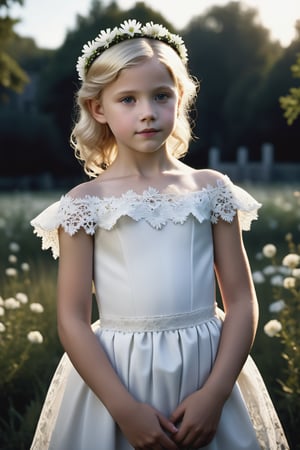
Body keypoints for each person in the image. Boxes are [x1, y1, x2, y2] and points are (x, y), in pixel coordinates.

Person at [30, 19, 289, 450]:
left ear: (180, 98)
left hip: (207, 370)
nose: (147, 111)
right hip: (116, 380)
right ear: (98, 109)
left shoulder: (211, 190)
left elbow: (241, 301)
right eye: (127, 99)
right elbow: (72, 320)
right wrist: (124, 409)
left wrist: (215, 393)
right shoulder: (84, 202)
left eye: (161, 96)